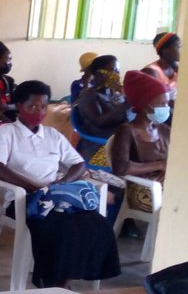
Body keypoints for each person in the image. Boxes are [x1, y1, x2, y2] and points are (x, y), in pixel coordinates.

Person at [0, 80, 120, 288]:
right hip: (24, 199)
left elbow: (78, 163)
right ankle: (51, 282)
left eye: (43, 106)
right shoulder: (8, 132)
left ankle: (65, 278)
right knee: (59, 228)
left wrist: (62, 183)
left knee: (96, 224)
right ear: (19, 106)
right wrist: (34, 188)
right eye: (32, 106)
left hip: (57, 196)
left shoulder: (52, 135)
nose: (39, 111)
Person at [110, 70, 171, 214]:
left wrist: (169, 170)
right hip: (141, 189)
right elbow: (121, 168)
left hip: (163, 183)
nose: (167, 107)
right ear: (147, 104)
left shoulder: (163, 129)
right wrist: (160, 165)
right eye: (162, 103)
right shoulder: (127, 131)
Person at [74, 55, 130, 160]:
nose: (116, 75)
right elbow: (98, 121)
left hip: (119, 140)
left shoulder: (112, 93)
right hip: (100, 147)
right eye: (113, 71)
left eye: (118, 71)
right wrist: (125, 105)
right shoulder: (89, 95)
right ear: (99, 73)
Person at [143, 31, 180, 104]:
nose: (182, 50)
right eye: (179, 47)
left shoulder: (180, 69)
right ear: (166, 50)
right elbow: (152, 101)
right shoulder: (151, 71)